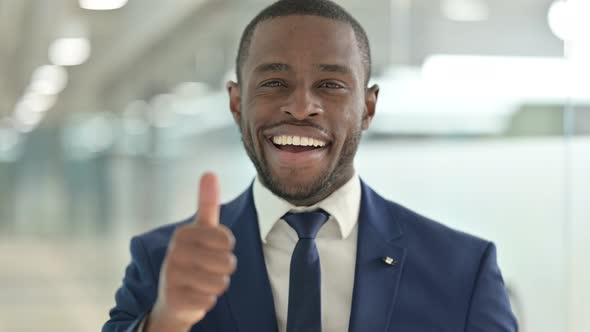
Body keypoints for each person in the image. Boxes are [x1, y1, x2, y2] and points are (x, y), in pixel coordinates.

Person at [103, 0, 518, 331]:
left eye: (331, 85)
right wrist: (166, 322)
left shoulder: (462, 269)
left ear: (368, 108)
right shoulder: (162, 260)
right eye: (273, 83)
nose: (301, 107)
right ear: (235, 103)